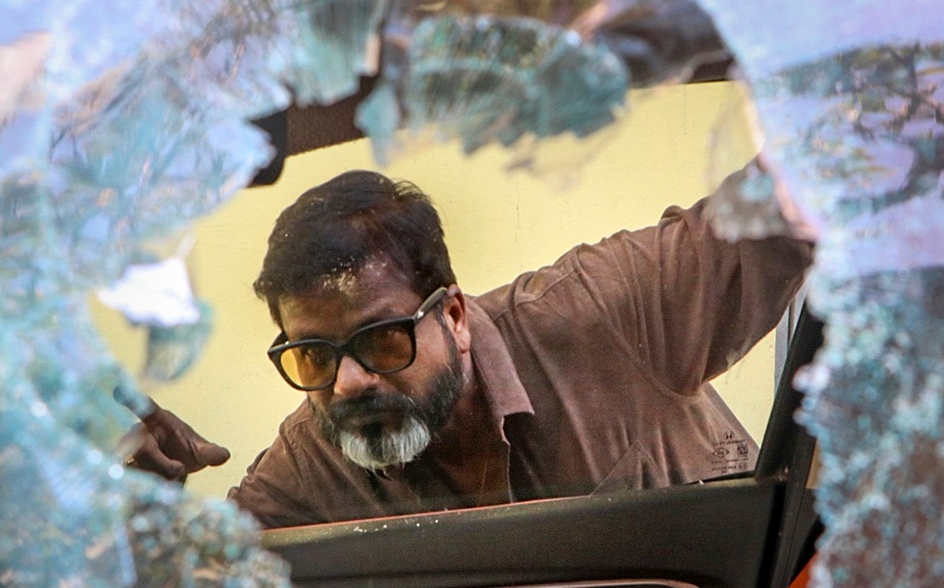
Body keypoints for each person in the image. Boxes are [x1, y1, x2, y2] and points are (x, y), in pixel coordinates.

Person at [130, 160, 814, 528]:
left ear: (454, 314)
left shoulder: (611, 309)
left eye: (381, 338)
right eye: (312, 355)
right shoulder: (311, 459)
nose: (346, 384)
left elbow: (799, 189)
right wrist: (131, 506)